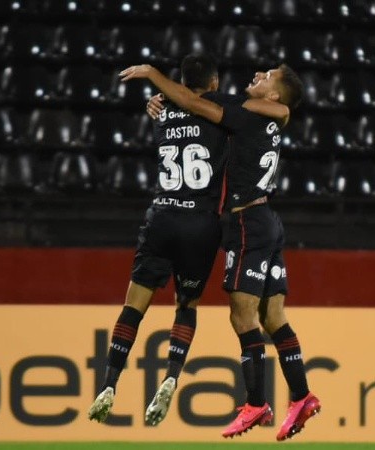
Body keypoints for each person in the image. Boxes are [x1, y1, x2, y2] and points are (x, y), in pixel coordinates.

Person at [122, 63, 321, 441]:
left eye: (267, 77)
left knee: (242, 314)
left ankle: (256, 402)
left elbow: (194, 103)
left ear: (274, 95)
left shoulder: (245, 115)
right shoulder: (272, 114)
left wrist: (154, 77)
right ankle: (301, 395)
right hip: (270, 221)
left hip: (247, 223)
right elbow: (197, 104)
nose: (258, 74)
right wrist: (166, 103)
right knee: (273, 315)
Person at [88, 54, 245, 427]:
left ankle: (109, 383)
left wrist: (156, 98)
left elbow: (177, 103)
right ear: (214, 83)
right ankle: (172, 375)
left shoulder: (162, 115)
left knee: (134, 305)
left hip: (162, 217)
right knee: (185, 305)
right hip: (201, 224)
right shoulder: (219, 110)